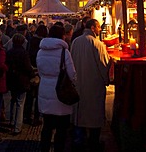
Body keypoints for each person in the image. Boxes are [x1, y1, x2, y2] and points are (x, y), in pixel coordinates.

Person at [71, 19, 112, 151]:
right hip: (93, 85)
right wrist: (107, 80)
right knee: (94, 115)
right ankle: (94, 142)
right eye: (99, 27)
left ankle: (79, 140)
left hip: (78, 83)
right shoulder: (97, 43)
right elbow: (103, 65)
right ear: (93, 28)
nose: (100, 30)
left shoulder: (76, 41)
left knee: (80, 114)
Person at [37, 24, 76, 152]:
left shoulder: (41, 51)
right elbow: (72, 74)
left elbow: (40, 70)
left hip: (45, 90)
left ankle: (44, 149)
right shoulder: (64, 52)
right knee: (61, 129)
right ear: (62, 35)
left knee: (47, 127)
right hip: (60, 93)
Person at [6, 33, 35, 135]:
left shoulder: (9, 52)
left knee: (13, 100)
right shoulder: (24, 53)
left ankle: (11, 121)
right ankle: (17, 126)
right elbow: (27, 68)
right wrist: (32, 74)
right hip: (22, 80)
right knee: (20, 103)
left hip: (12, 79)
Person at [24, 24, 48, 125]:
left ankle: (27, 115)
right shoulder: (42, 43)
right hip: (39, 71)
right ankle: (37, 117)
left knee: (29, 96)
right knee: (38, 95)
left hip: (31, 70)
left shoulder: (30, 40)